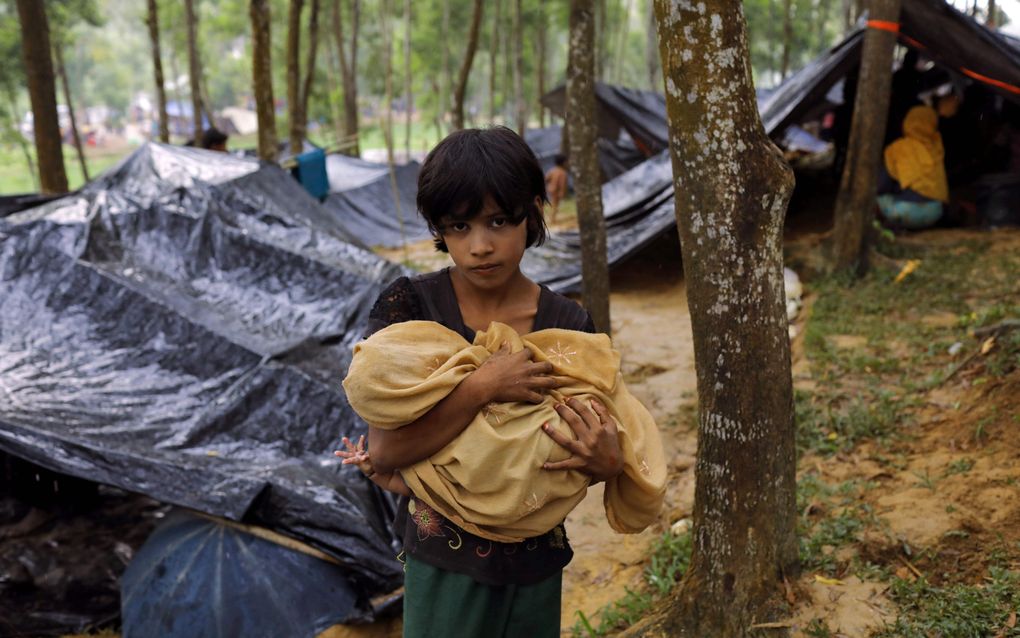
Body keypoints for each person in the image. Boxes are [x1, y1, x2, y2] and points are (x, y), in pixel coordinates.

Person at [338, 127, 637, 637]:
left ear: (534, 210)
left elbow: (569, 457)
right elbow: (386, 452)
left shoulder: (567, 325)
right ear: (439, 229)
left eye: (499, 220)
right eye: (459, 226)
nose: (480, 246)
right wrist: (482, 387)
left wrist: (608, 463)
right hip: (442, 562)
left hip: (536, 560)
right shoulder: (410, 309)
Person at [878, 105, 948, 229]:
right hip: (936, 213)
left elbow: (882, 186)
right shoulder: (937, 147)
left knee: (878, 196)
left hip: (904, 212)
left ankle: (892, 226)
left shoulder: (899, 148)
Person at [544, 154, 569, 225]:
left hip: (550, 189)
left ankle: (551, 217)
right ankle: (552, 219)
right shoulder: (563, 173)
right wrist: (562, 192)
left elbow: (546, 179)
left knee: (552, 203)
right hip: (557, 191)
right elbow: (562, 184)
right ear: (564, 163)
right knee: (555, 205)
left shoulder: (552, 170)